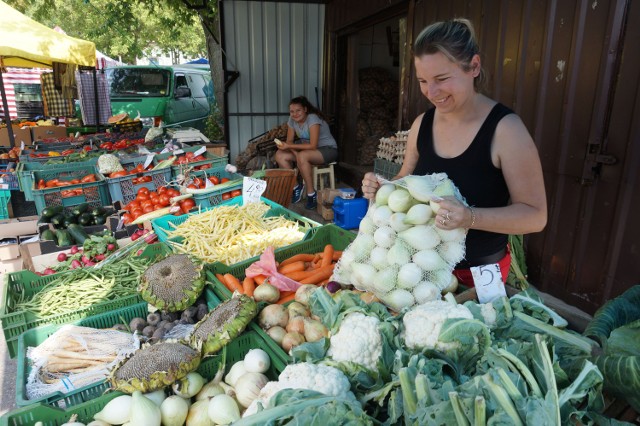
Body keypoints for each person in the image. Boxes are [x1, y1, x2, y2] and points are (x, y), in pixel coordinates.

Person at [361, 19, 547, 287]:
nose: (431, 92)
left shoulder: (506, 130)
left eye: (442, 79)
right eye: (423, 81)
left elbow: (535, 216)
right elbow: (405, 181)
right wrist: (383, 186)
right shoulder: (421, 124)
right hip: (418, 272)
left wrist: (469, 217)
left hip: (479, 273)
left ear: (474, 66)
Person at [275, 96, 338, 209]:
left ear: (305, 109)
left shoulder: (312, 118)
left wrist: (293, 150)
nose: (295, 114)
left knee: (302, 155)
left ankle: (311, 193)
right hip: (308, 152)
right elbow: (289, 141)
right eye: (292, 111)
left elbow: (313, 145)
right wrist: (295, 154)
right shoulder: (292, 120)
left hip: (327, 149)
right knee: (280, 155)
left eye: (298, 110)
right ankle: (296, 187)